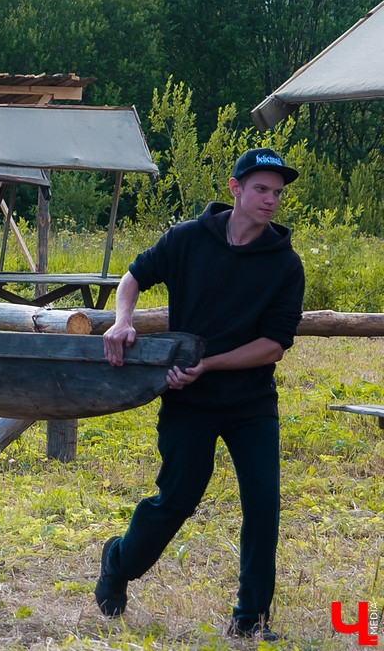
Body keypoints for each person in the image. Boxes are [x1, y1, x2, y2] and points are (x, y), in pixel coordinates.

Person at [95, 147, 305, 641]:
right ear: (235, 189)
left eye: (277, 193)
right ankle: (119, 562)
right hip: (187, 402)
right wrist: (122, 322)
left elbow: (273, 345)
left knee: (263, 504)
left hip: (250, 405)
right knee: (177, 499)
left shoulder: (284, 264)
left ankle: (250, 618)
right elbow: (133, 277)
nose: (270, 200)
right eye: (261, 189)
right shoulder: (189, 240)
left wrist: (207, 363)